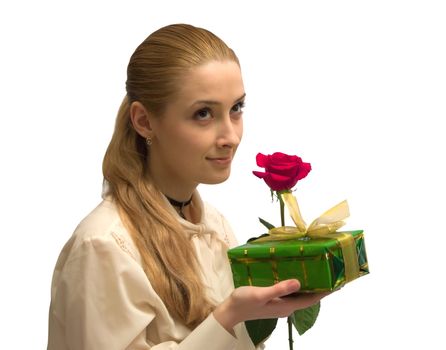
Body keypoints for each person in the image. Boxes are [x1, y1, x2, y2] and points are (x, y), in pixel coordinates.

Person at [47, 23, 327, 350]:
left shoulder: (214, 226)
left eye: (236, 108)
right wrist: (229, 316)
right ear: (145, 121)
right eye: (204, 113)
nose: (231, 137)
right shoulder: (102, 246)